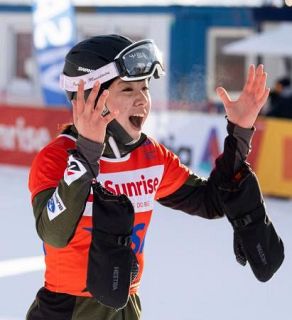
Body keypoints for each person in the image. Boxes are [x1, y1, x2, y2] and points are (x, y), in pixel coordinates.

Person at [26, 34, 284, 320]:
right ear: (90, 97)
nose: (142, 100)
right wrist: (86, 154)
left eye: (145, 88)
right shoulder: (57, 157)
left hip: (125, 306)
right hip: (68, 311)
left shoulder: (150, 156)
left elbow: (211, 202)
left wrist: (239, 133)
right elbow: (54, 233)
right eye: (127, 90)